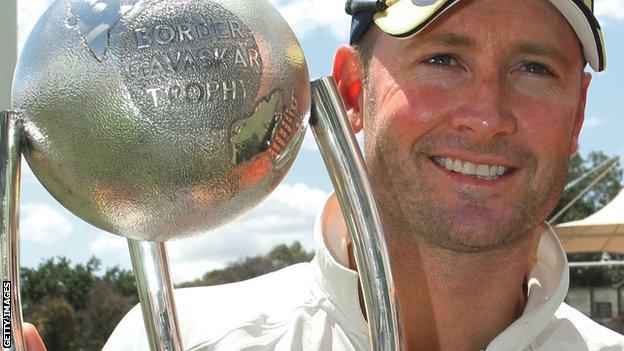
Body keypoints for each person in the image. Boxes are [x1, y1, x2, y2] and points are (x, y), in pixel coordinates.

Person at [25, 0, 624, 350]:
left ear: (577, 112)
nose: (487, 117)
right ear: (352, 91)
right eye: (443, 59)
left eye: (535, 68)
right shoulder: (195, 342)